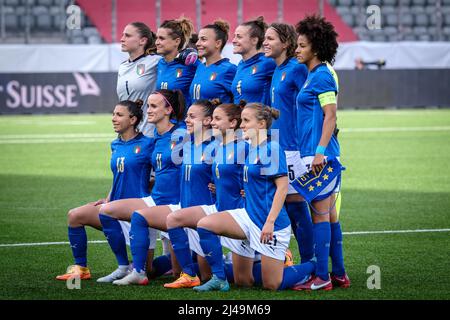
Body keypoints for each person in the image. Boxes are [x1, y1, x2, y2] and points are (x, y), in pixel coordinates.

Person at [194, 103, 316, 291]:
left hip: (269, 222)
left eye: (246, 121)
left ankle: (314, 265)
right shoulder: (251, 148)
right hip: (248, 216)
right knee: (205, 225)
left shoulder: (272, 148)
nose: (241, 125)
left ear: (261, 124)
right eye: (241, 120)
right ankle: (219, 278)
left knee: (272, 284)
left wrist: (270, 222)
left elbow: (282, 189)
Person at [111, 99, 217, 286]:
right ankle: (138, 269)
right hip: (183, 208)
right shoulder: (186, 144)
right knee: (141, 218)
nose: (187, 120)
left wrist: (223, 187)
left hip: (209, 211)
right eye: (187, 116)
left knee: (235, 278)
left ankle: (223, 267)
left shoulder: (209, 144)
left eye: (192, 117)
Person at [163, 101, 260, 291]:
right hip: (218, 208)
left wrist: (249, 189)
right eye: (212, 119)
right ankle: (196, 275)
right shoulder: (218, 147)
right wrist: (216, 186)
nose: (212, 124)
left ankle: (282, 263)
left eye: (217, 119)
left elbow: (260, 176)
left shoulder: (244, 148)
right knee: (174, 219)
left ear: (233, 124)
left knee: (245, 281)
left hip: (239, 214)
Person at [55, 99, 154, 281]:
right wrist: (108, 198)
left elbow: (159, 176)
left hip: (138, 212)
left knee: (151, 271)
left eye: (119, 115)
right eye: (113, 114)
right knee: (75, 215)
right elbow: (120, 176)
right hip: (112, 208)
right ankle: (83, 269)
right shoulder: (115, 145)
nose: (113, 118)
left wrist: (148, 191)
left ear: (132, 120)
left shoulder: (149, 144)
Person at [94, 90, 186, 284]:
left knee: (184, 273)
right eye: (148, 106)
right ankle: (132, 269)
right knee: (107, 210)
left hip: (177, 204)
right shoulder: (157, 138)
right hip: (155, 200)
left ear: (168, 109)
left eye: (154, 106)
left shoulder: (181, 134)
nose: (148, 111)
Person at [293, 15, 350, 291]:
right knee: (329, 216)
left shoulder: (323, 76)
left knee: (320, 216)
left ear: (315, 48)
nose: (297, 50)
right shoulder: (313, 75)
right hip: (314, 154)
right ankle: (338, 274)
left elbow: (331, 116)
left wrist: (319, 152)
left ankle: (322, 278)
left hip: (320, 156)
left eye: (302, 46)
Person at [263, 23, 313, 263]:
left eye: (270, 38)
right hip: (277, 146)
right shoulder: (277, 69)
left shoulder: (296, 69)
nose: (265, 42)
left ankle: (311, 261)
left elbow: (312, 105)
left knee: (295, 204)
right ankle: (284, 256)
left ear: (285, 43)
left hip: (293, 148)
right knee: (279, 203)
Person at [117, 22, 162, 137]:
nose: (122, 39)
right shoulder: (122, 67)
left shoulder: (155, 61)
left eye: (127, 36)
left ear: (142, 41)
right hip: (127, 135)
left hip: (148, 134)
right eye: (122, 35)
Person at [155, 17, 199, 111]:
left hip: (184, 123)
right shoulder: (160, 63)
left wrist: (198, 125)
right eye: (156, 38)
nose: (157, 42)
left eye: (161, 38)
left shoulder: (190, 64)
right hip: (163, 124)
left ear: (177, 41)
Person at [231, 16, 276, 105]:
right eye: (234, 36)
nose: (233, 40)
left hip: (259, 118)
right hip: (241, 118)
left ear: (254, 40)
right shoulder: (240, 64)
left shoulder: (268, 62)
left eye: (239, 37)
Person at [190, 20, 237, 103]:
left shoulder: (229, 69)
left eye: (203, 39)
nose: (197, 43)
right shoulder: (200, 67)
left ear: (218, 43)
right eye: (198, 39)